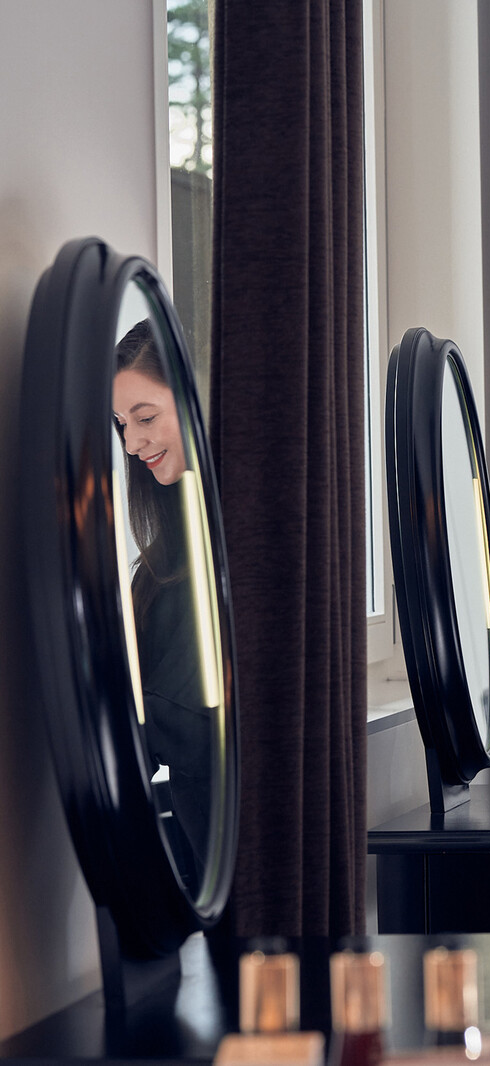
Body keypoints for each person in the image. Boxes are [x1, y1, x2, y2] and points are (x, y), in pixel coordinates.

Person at [113, 319, 210, 893]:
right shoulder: (160, 573)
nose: (131, 443)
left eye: (146, 418)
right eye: (123, 425)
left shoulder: (245, 553)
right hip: (203, 867)